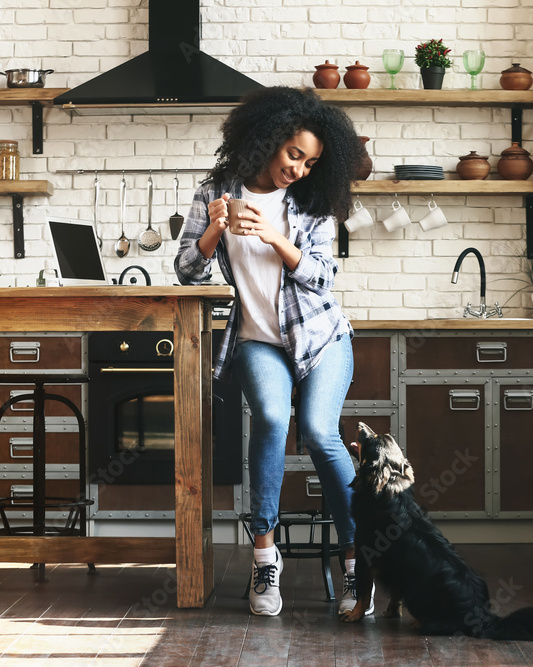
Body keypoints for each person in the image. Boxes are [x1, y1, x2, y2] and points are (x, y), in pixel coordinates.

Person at [175, 86, 370, 618]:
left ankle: (357, 560)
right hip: (259, 339)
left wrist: (276, 239)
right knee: (268, 418)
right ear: (267, 140)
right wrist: (215, 228)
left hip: (322, 339)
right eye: (293, 155)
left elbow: (323, 278)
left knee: (319, 432)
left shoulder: (309, 203)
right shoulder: (215, 190)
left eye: (310, 162)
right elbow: (186, 271)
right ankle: (266, 555)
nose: (299, 169)